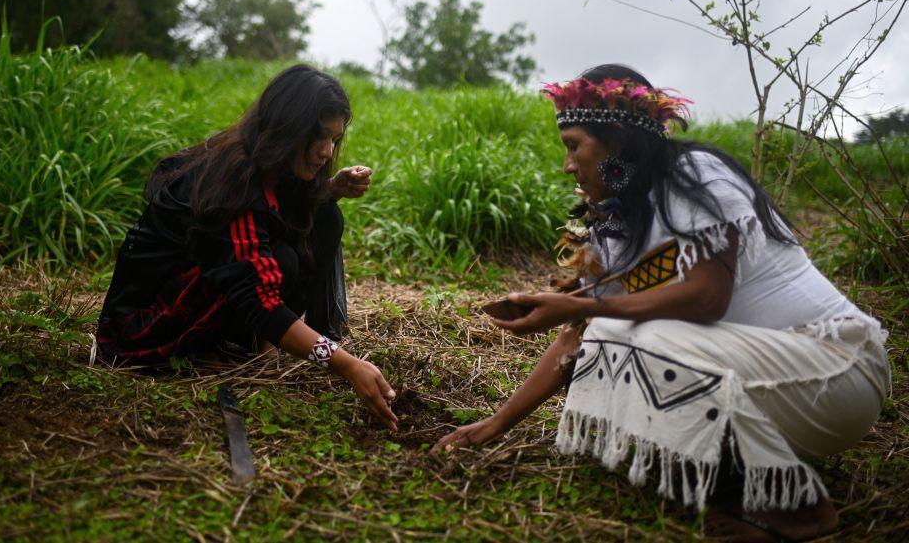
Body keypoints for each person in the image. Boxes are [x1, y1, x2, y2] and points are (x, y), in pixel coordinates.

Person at [432, 64, 890, 540]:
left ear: (621, 141)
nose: (568, 165)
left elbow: (709, 298)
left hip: (837, 373)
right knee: (608, 338)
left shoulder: (694, 175)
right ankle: (744, 487)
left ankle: (799, 509)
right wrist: (497, 424)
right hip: (776, 390)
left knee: (630, 332)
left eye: (574, 145)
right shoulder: (614, 221)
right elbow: (577, 339)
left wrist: (584, 308)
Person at [97, 64, 398, 432]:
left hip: (193, 293)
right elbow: (261, 300)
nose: (326, 151)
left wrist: (330, 190)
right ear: (288, 128)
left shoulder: (266, 164)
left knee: (325, 218)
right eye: (319, 137)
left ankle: (252, 344)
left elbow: (282, 214)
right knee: (276, 265)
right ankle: (234, 347)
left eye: (334, 140)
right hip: (139, 329)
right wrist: (346, 363)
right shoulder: (234, 182)